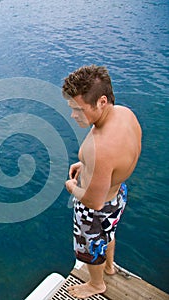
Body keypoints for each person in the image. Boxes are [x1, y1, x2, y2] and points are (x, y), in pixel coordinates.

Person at [62, 65, 142, 299]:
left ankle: (97, 284)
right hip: (117, 195)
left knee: (89, 247)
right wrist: (89, 167)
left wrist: (72, 187)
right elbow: (122, 154)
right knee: (108, 233)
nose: (73, 115)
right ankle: (109, 267)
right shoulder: (125, 114)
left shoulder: (101, 149)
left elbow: (94, 203)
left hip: (97, 208)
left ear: (101, 102)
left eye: (78, 109)